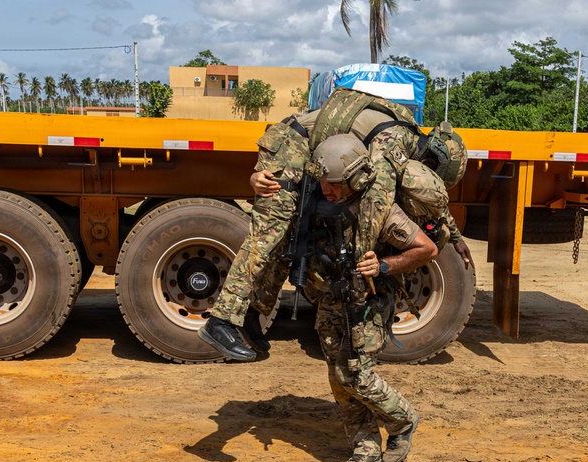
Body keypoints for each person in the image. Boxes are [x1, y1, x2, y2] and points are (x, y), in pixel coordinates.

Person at [199, 86, 471, 361]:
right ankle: (219, 321)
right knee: (271, 231)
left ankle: (253, 313)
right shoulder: (393, 143)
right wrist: (363, 264)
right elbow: (375, 206)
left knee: (293, 239)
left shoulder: (407, 136)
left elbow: (429, 199)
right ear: (429, 162)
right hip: (293, 144)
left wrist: (457, 238)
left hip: (311, 153)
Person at [305, 133, 438, 462]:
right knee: (338, 377)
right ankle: (364, 447)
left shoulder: (382, 210)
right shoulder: (317, 200)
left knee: (356, 374)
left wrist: (382, 266)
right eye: (323, 182)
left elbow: (426, 249)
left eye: (333, 184)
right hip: (331, 297)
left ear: (355, 178)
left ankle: (403, 419)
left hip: (368, 301)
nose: (326, 190)